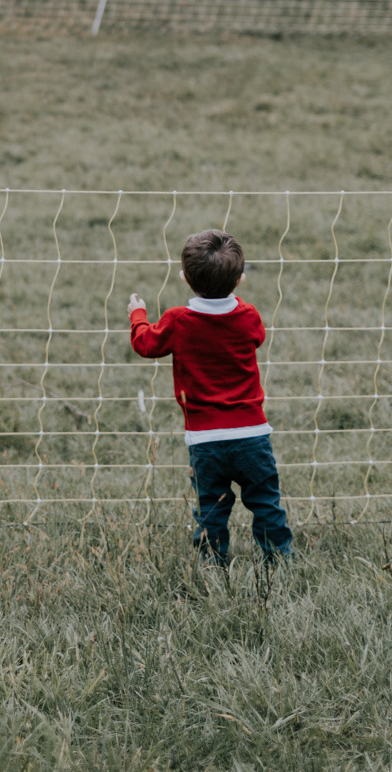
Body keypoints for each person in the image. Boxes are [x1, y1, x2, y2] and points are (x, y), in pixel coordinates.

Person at [128, 229, 292, 564]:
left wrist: (138, 315)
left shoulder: (178, 320)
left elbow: (145, 344)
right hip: (252, 435)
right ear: (240, 279)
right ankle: (279, 558)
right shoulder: (248, 316)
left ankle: (213, 564)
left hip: (205, 439)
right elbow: (257, 337)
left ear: (185, 279)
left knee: (210, 509)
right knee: (265, 502)